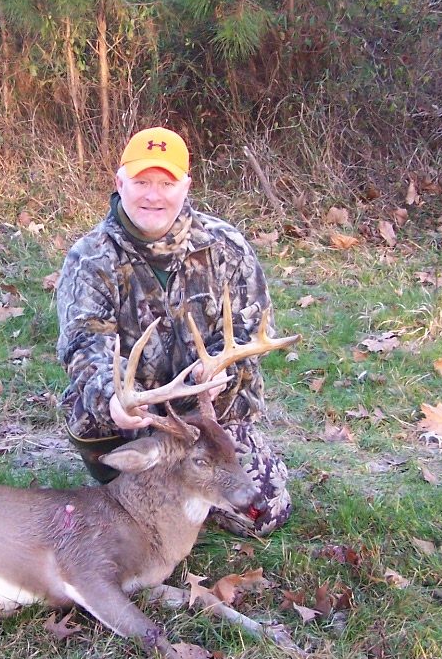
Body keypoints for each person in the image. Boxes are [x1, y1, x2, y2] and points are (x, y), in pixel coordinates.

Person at [55, 126, 292, 536]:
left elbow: (252, 329)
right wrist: (113, 398)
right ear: (120, 184)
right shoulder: (90, 258)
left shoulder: (226, 247)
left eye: (166, 183)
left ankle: (179, 493)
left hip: (209, 420)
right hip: (134, 420)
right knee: (135, 510)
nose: (153, 195)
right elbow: (83, 343)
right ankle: (139, 488)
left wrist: (222, 370)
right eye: (141, 182)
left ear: (186, 186)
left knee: (262, 514)